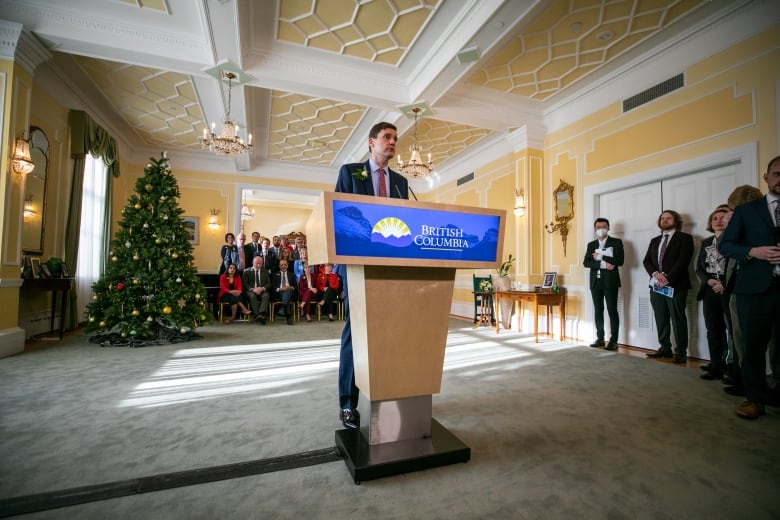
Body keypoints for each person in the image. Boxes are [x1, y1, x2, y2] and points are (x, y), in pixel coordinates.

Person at [334, 121, 409, 429]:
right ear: (371, 142)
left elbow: (407, 223)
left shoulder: (402, 183)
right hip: (357, 265)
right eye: (387, 137)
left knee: (391, 330)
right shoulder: (351, 173)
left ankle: (390, 394)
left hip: (393, 268)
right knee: (358, 330)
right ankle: (348, 403)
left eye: (395, 138)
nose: (392, 142)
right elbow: (339, 215)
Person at [719, 155, 780, 419]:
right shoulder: (746, 212)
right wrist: (753, 251)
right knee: (752, 346)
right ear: (766, 177)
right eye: (777, 173)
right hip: (754, 289)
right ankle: (754, 399)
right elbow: (725, 245)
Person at [642, 210, 694, 363]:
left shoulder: (685, 238)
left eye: (668, 218)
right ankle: (665, 348)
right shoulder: (655, 240)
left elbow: (683, 261)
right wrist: (655, 274)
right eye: (662, 218)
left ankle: (681, 352)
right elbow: (646, 261)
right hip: (656, 286)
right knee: (661, 317)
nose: (664, 220)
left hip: (676, 285)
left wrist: (668, 278)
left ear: (675, 221)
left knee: (678, 318)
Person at [695, 206, 732, 380]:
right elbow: (699, 268)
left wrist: (724, 284)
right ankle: (716, 365)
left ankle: (733, 367)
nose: (718, 220)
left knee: (732, 331)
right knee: (713, 330)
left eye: (722, 217)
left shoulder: (736, 239)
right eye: (714, 218)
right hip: (710, 290)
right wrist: (708, 281)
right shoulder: (706, 242)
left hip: (730, 290)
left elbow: (738, 266)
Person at [583, 218, 624, 351]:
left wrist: (601, 257)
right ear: (595, 229)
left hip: (610, 282)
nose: (601, 228)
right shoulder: (591, 244)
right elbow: (586, 262)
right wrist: (604, 264)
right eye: (598, 226)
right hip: (595, 282)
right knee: (598, 310)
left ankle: (614, 340)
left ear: (608, 228)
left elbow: (619, 260)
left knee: (612, 310)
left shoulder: (616, 242)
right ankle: (600, 338)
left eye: (604, 226)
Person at [242, 255, 271, 324]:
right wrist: (252, 289)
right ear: (253, 262)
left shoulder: (265, 271)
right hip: (250, 290)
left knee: (266, 296)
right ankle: (258, 315)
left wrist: (262, 288)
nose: (258, 265)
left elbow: (269, 283)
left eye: (260, 263)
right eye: (256, 263)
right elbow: (245, 283)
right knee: (252, 296)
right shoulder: (247, 271)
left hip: (262, 290)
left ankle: (261, 314)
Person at [272, 259, 296, 325]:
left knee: (287, 291)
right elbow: (273, 287)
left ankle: (283, 308)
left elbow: (295, 286)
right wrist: (281, 289)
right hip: (279, 294)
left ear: (287, 266)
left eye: (285, 265)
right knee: (286, 297)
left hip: (289, 292)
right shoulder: (275, 275)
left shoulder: (291, 275)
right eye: (281, 265)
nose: (283, 266)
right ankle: (288, 316)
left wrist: (290, 287)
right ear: (279, 266)